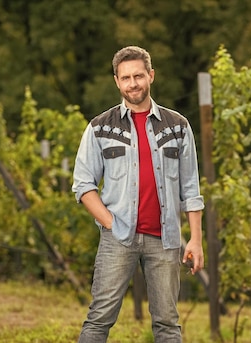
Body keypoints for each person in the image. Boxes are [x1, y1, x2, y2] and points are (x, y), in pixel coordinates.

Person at [72, 45, 205, 343]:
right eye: (126, 77)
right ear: (117, 82)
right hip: (117, 238)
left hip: (166, 239)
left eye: (139, 76)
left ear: (151, 76)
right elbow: (83, 185)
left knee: (168, 325)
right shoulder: (99, 127)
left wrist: (195, 239)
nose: (133, 83)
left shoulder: (178, 127)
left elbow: (191, 189)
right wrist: (111, 224)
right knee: (98, 320)